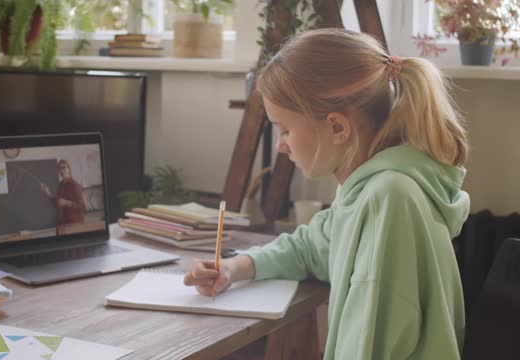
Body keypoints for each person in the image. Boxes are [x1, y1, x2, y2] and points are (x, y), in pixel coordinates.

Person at [184, 28, 469, 359]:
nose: (280, 145)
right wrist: (235, 268)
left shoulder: (388, 198)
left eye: (286, 129)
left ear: (337, 127)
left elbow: (372, 341)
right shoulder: (367, 190)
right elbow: (311, 247)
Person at [41, 159, 86, 226]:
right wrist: (48, 193)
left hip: (74, 224)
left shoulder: (74, 185)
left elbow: (82, 207)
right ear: (59, 171)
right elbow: (57, 203)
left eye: (65, 167)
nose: (63, 169)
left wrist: (67, 202)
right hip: (62, 224)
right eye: (60, 168)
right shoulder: (61, 185)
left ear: (69, 169)